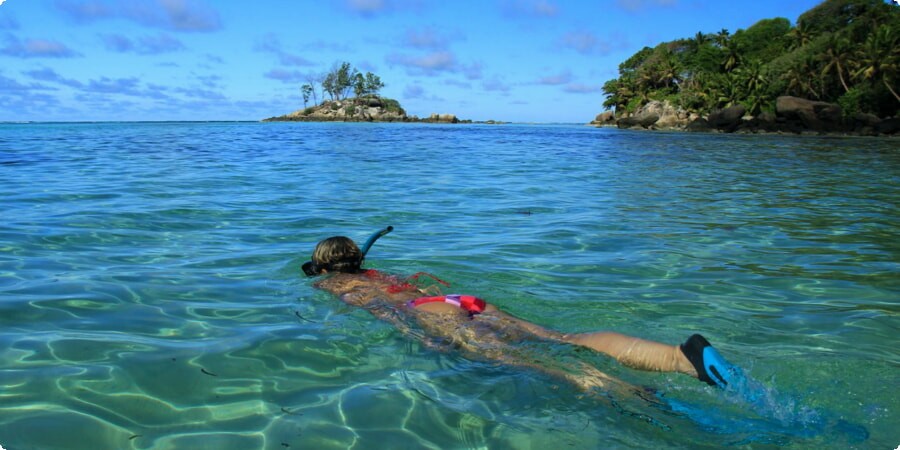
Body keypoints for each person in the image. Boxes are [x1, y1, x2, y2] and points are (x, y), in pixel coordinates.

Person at [302, 233, 743, 391]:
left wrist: (425, 338)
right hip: (465, 302)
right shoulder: (379, 273)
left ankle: (611, 387)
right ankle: (679, 358)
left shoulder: (338, 286)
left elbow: (388, 311)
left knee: (526, 361)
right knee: (559, 339)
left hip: (432, 314)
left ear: (324, 266)